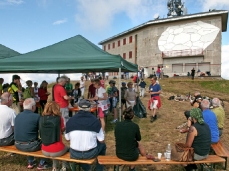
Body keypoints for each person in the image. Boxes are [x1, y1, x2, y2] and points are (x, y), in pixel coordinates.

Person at [65, 99, 106, 171]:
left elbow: (67, 139)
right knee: (103, 145)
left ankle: (87, 168)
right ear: (90, 108)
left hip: (74, 153)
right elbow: (101, 140)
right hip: (90, 153)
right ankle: (99, 168)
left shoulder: (70, 121)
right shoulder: (95, 121)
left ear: (78, 108)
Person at [14, 98, 49, 170]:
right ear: (33, 107)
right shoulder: (37, 116)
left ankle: (30, 161)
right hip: (31, 145)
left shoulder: (18, 116)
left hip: (17, 144)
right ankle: (42, 163)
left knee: (28, 137)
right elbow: (43, 133)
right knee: (48, 142)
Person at [39, 101, 69, 171]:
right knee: (66, 148)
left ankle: (55, 167)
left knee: (54, 148)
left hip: (44, 149)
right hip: (57, 150)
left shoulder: (41, 118)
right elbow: (62, 130)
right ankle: (64, 167)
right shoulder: (59, 118)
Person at [115, 107, 146, 171]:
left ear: (123, 116)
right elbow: (139, 138)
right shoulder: (135, 126)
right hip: (132, 156)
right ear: (133, 117)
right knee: (139, 145)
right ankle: (133, 167)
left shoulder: (117, 125)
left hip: (119, 154)